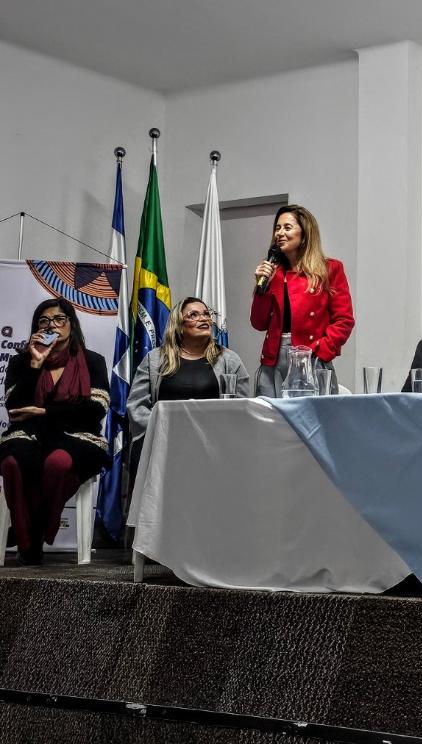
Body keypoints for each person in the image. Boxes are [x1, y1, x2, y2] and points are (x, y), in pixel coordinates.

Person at [0, 298, 110, 565]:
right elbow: (15, 407)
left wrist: (45, 412)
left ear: (71, 324)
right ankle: (29, 540)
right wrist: (35, 363)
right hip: (30, 435)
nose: (52, 325)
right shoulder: (21, 363)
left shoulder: (93, 361)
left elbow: (95, 409)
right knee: (11, 461)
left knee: (58, 462)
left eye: (59, 319)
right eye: (44, 321)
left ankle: (32, 535)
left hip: (79, 436)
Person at [127, 297, 251, 483]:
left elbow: (243, 408)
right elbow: (136, 406)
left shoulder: (229, 360)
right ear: (178, 325)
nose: (204, 318)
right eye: (194, 315)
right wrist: (161, 430)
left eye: (206, 314)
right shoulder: (155, 359)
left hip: (213, 448)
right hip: (162, 446)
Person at [250, 205, 354, 396]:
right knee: (270, 414)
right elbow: (259, 323)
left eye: (287, 227)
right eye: (277, 228)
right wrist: (261, 287)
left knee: (313, 414)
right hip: (273, 360)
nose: (280, 233)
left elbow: (344, 320)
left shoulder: (329, 269)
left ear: (305, 233)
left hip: (311, 358)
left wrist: (320, 351)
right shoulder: (273, 272)